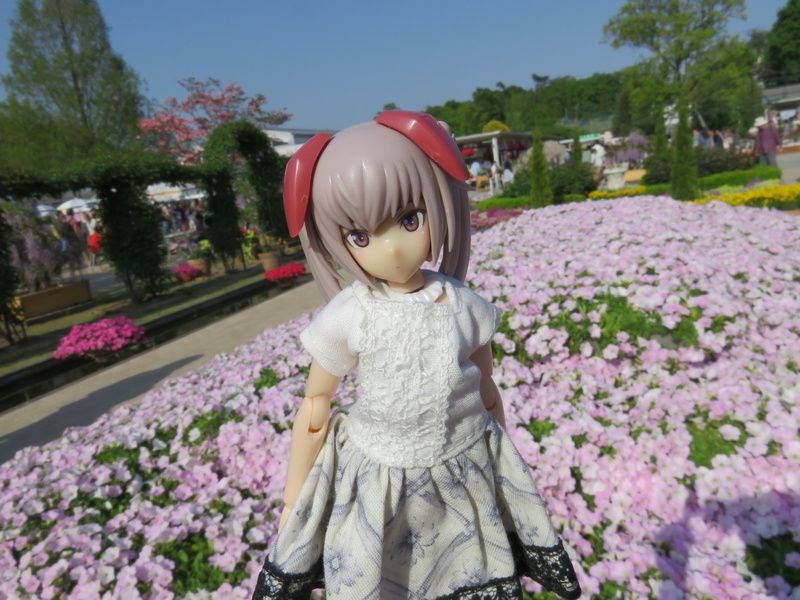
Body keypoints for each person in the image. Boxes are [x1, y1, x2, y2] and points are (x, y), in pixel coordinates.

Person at [252, 112, 581, 600]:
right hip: (378, 479)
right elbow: (316, 405)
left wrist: (502, 465)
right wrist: (293, 501)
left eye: (410, 220)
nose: (392, 249)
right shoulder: (352, 314)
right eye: (360, 236)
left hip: (461, 469)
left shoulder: (461, 304)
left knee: (468, 575)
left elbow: (486, 388)